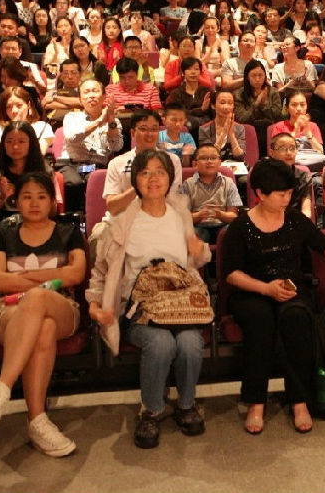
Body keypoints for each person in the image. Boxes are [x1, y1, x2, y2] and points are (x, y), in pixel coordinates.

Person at [222, 158, 325, 434]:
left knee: (296, 317)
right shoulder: (240, 227)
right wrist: (266, 288)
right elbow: (232, 274)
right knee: (259, 320)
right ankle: (256, 401)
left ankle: (299, 399)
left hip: (291, 289)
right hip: (253, 291)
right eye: (280, 194)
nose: (287, 199)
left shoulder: (295, 220)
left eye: (289, 193)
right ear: (260, 193)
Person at [87, 150, 211, 448]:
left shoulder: (180, 215)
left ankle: (186, 405)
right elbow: (101, 271)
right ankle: (151, 410)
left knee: (190, 343)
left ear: (170, 178)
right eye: (145, 173)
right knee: (160, 342)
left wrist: (200, 250)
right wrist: (94, 305)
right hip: (140, 309)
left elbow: (198, 259)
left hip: (181, 305)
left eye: (160, 172)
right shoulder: (121, 223)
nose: (153, 179)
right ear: (135, 180)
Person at [0, 172, 86, 457]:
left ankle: (1, 388)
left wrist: (27, 278)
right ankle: (37, 421)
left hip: (61, 306)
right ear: (16, 201)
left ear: (52, 201)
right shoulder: (2, 232)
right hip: (7, 309)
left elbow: (76, 274)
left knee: (37, 299)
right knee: (43, 327)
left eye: (42, 197)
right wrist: (54, 276)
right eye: (27, 197)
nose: (34, 203)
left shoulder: (68, 231)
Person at [102, 110, 183, 220]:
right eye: (143, 129)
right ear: (133, 133)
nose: (149, 134)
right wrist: (137, 188)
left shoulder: (172, 160)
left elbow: (173, 200)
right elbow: (112, 207)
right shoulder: (117, 163)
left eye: (154, 129)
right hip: (123, 220)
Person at [58, 79, 123, 211]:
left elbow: (116, 147)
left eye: (95, 91)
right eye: (86, 92)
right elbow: (72, 138)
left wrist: (110, 121)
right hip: (71, 165)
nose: (91, 95)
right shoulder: (71, 117)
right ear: (80, 99)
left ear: (104, 96)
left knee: (95, 180)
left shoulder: (113, 121)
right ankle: (71, 219)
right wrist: (99, 122)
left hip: (96, 166)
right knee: (73, 182)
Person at [0, 122, 57, 221]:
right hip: (4, 227)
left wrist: (42, 195)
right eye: (9, 141)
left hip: (36, 226)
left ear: (31, 144)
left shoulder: (44, 172)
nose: (15, 146)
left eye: (21, 141)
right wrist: (1, 197)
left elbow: (53, 213)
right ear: (3, 144)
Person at [180, 143, 241, 243]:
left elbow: (234, 215)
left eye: (213, 158)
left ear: (220, 162)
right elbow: (182, 217)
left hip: (223, 225)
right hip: (197, 226)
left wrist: (220, 214)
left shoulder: (228, 183)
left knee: (232, 232)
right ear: (195, 163)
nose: (209, 161)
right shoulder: (187, 184)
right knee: (191, 235)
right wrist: (199, 215)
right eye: (204, 158)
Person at [0, 86, 53, 165]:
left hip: (31, 169)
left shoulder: (41, 126)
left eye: (19, 105)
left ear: (28, 105)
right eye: (9, 107)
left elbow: (40, 152)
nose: (14, 111)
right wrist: (10, 129)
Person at [269, 133, 315, 220]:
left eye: (292, 148)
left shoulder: (303, 176)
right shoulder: (264, 174)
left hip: (296, 222)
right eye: (282, 148)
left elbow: (306, 210)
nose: (289, 153)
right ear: (272, 153)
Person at [198, 90, 246, 163]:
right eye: (222, 103)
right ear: (213, 106)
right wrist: (223, 133)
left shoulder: (240, 128)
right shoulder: (204, 129)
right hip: (212, 167)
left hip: (234, 167)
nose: (226, 107)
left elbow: (241, 157)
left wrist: (231, 134)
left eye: (230, 103)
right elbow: (208, 156)